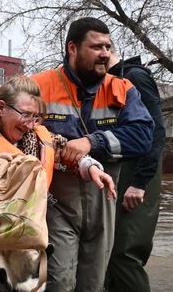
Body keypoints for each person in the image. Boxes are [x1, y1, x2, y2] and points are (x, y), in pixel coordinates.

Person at [0, 76, 116, 292]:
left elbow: (64, 151)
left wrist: (90, 166)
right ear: (1, 108)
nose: (30, 124)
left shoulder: (36, 136)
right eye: (26, 115)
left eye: (36, 117)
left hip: (17, 259)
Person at [30, 17, 154, 292]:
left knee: (94, 284)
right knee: (59, 281)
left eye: (108, 47)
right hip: (55, 201)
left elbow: (143, 138)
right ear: (72, 48)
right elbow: (17, 133)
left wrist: (91, 142)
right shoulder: (37, 86)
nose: (105, 54)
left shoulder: (122, 89)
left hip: (103, 201)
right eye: (96, 47)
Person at [105, 47, 166, 292]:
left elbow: (157, 131)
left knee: (125, 254)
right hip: (123, 174)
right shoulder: (110, 80)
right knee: (110, 253)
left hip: (139, 176)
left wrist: (140, 182)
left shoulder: (135, 77)